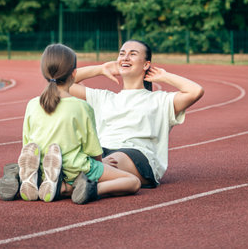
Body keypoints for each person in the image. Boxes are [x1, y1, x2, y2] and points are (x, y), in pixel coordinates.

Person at [0, 43, 140, 204]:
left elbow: (28, 144)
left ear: (44, 72)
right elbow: (91, 148)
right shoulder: (81, 107)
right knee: (133, 182)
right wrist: (101, 164)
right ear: (74, 73)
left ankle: (28, 179)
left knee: (35, 159)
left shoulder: (32, 104)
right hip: (75, 169)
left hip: (42, 166)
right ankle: (77, 188)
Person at [69, 39, 204, 187]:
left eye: (132, 54)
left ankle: (75, 178)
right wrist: (101, 69)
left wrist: (163, 75)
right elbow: (62, 83)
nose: (125, 57)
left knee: (111, 159)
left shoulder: (161, 100)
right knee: (76, 152)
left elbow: (195, 91)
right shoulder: (104, 97)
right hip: (101, 153)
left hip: (137, 156)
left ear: (146, 64)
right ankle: (70, 185)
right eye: (122, 54)